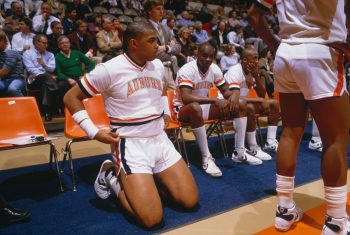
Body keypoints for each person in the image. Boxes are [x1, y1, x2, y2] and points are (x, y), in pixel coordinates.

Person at [63, 21, 198, 228]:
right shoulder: (108, 69)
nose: (158, 46)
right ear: (134, 44)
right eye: (152, 41)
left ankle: (145, 183)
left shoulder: (157, 65)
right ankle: (111, 178)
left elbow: (161, 89)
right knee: (151, 219)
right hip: (130, 144)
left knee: (189, 201)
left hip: (159, 140)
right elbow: (71, 97)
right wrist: (94, 132)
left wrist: (165, 111)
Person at [249, 1, 350, 234]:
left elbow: (255, 16)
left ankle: (284, 211)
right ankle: (336, 221)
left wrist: (276, 46)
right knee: (335, 139)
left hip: (286, 53)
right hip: (322, 50)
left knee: (291, 130)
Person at [174, 42, 264, 178]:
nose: (208, 59)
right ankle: (206, 157)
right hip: (182, 110)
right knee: (194, 107)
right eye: (204, 56)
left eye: (211, 56)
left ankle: (239, 152)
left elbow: (226, 91)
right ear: (197, 55)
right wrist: (215, 100)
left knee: (241, 103)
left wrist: (234, 96)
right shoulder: (187, 69)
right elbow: (186, 98)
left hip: (201, 107)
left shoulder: (214, 69)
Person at [223, 48, 279, 156]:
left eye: (257, 58)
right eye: (254, 58)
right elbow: (236, 97)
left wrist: (256, 77)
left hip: (243, 104)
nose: (257, 61)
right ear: (244, 60)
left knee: (274, 104)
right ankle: (253, 147)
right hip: (228, 104)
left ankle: (270, 142)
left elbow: (262, 94)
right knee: (250, 107)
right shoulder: (235, 71)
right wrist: (261, 100)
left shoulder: (252, 72)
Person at [144, 0, 181, 90]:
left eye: (162, 9)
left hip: (169, 69)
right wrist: (171, 55)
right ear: (149, 11)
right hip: (153, 69)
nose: (161, 12)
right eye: (158, 9)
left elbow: (178, 47)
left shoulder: (165, 28)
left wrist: (166, 47)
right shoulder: (144, 27)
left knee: (172, 98)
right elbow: (152, 52)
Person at [23, 34, 58, 121]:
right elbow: (30, 69)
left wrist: (43, 65)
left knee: (45, 86)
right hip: (34, 79)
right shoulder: (27, 53)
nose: (46, 45)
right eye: (44, 43)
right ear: (36, 43)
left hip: (46, 81)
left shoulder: (50, 55)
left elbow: (52, 68)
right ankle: (56, 89)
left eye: (47, 43)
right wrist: (45, 73)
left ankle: (47, 112)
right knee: (46, 76)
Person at [0, 30, 25, 97]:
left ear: (5, 42)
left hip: (17, 79)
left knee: (13, 89)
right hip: (4, 80)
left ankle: (24, 106)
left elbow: (4, 71)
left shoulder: (12, 53)